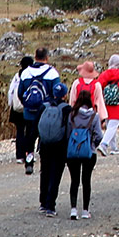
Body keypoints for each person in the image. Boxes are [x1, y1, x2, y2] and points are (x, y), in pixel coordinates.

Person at [11, 49, 63, 176]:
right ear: (47, 57)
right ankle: (45, 163)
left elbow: (20, 92)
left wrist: (26, 104)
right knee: (45, 137)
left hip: (29, 111)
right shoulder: (52, 73)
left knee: (30, 137)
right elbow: (57, 92)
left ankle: (29, 162)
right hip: (46, 111)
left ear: (35, 57)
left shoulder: (26, 72)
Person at [35, 68, 71, 217]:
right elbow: (69, 129)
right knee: (55, 175)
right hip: (60, 146)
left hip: (44, 144)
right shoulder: (66, 109)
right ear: (65, 95)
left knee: (45, 172)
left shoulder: (44, 106)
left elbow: (36, 126)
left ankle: (43, 203)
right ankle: (51, 205)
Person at [64, 87, 104, 219]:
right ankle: (85, 210)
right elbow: (99, 135)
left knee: (74, 180)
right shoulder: (95, 116)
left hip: (73, 152)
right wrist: (92, 144)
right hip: (89, 152)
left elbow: (68, 133)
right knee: (86, 181)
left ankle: (73, 209)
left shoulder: (72, 115)